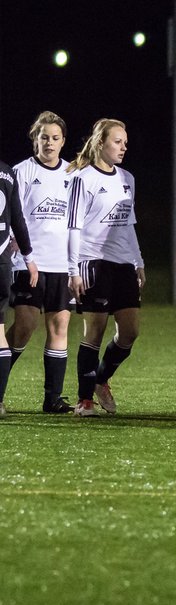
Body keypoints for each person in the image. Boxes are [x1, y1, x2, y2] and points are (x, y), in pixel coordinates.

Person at [67, 118, 144, 417]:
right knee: (95, 331)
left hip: (123, 263)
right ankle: (84, 400)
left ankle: (101, 378)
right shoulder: (83, 179)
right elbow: (73, 227)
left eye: (125, 142)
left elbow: (129, 224)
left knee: (130, 332)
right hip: (92, 261)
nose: (123, 147)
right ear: (101, 143)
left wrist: (138, 261)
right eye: (117, 142)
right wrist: (73, 269)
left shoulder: (127, 178)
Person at [8, 111, 73, 413]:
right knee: (24, 325)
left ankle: (53, 398)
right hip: (27, 262)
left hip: (62, 264)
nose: (49, 143)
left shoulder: (73, 173)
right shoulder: (20, 173)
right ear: (35, 139)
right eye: (44, 137)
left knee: (59, 325)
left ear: (63, 142)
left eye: (55, 138)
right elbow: (10, 218)